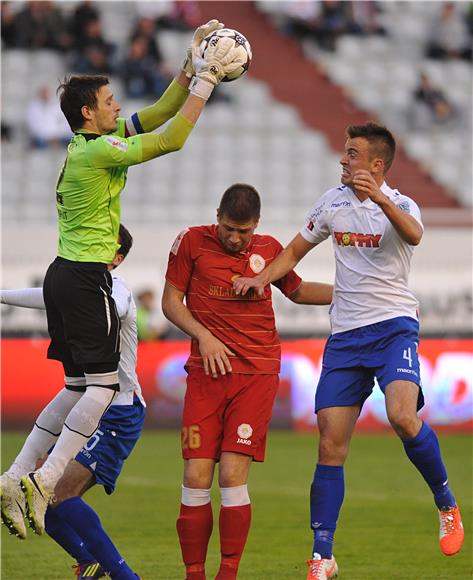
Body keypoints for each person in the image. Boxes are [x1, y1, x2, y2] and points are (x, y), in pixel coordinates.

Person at [3, 18, 244, 540]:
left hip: (63, 275)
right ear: (88, 113)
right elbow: (171, 138)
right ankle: (44, 480)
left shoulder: (93, 142)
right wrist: (208, 79)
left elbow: (157, 113)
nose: (117, 106)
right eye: (109, 100)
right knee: (105, 386)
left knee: (74, 386)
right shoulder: (96, 151)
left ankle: (14, 476)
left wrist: (189, 62)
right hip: (86, 278)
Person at [233, 122, 465, 579]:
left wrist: (379, 198)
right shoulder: (331, 203)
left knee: (402, 416)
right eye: (345, 152)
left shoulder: (400, 204)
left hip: (394, 328)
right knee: (329, 444)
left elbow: (415, 235)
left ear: (376, 165)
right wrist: (263, 278)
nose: (343, 159)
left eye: (352, 153)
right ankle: (323, 555)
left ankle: (446, 502)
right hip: (345, 337)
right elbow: (294, 251)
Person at [162, 183, 333, 580]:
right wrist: (204, 336)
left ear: (257, 225)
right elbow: (173, 302)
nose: (236, 239)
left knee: (232, 476)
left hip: (256, 375)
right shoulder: (190, 241)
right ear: (217, 215)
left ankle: (228, 573)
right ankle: (193, 574)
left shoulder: (270, 250)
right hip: (206, 374)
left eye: (245, 231)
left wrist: (351, 293)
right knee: (195, 476)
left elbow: (300, 290)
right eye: (229, 229)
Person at [1, 225, 145, 580]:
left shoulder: (117, 288)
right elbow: (48, 296)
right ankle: (89, 565)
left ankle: (126, 578)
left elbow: (121, 304)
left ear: (117, 257)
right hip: (86, 408)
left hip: (118, 412)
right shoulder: (82, 289)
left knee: (58, 491)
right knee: (40, 492)